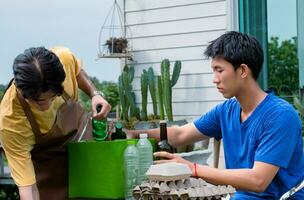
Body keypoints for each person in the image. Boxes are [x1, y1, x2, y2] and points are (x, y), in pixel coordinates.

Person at [127, 31, 304, 199]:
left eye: (220, 70)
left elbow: (258, 180)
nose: (215, 78)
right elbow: (179, 135)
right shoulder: (226, 111)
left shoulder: (280, 116)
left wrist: (192, 169)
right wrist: (134, 134)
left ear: (242, 71)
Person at [0, 46, 111, 200]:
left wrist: (94, 94)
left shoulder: (63, 59)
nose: (49, 103)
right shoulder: (11, 123)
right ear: (21, 90)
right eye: (40, 101)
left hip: (84, 145)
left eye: (54, 96)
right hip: (49, 171)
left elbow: (77, 71)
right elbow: (28, 189)